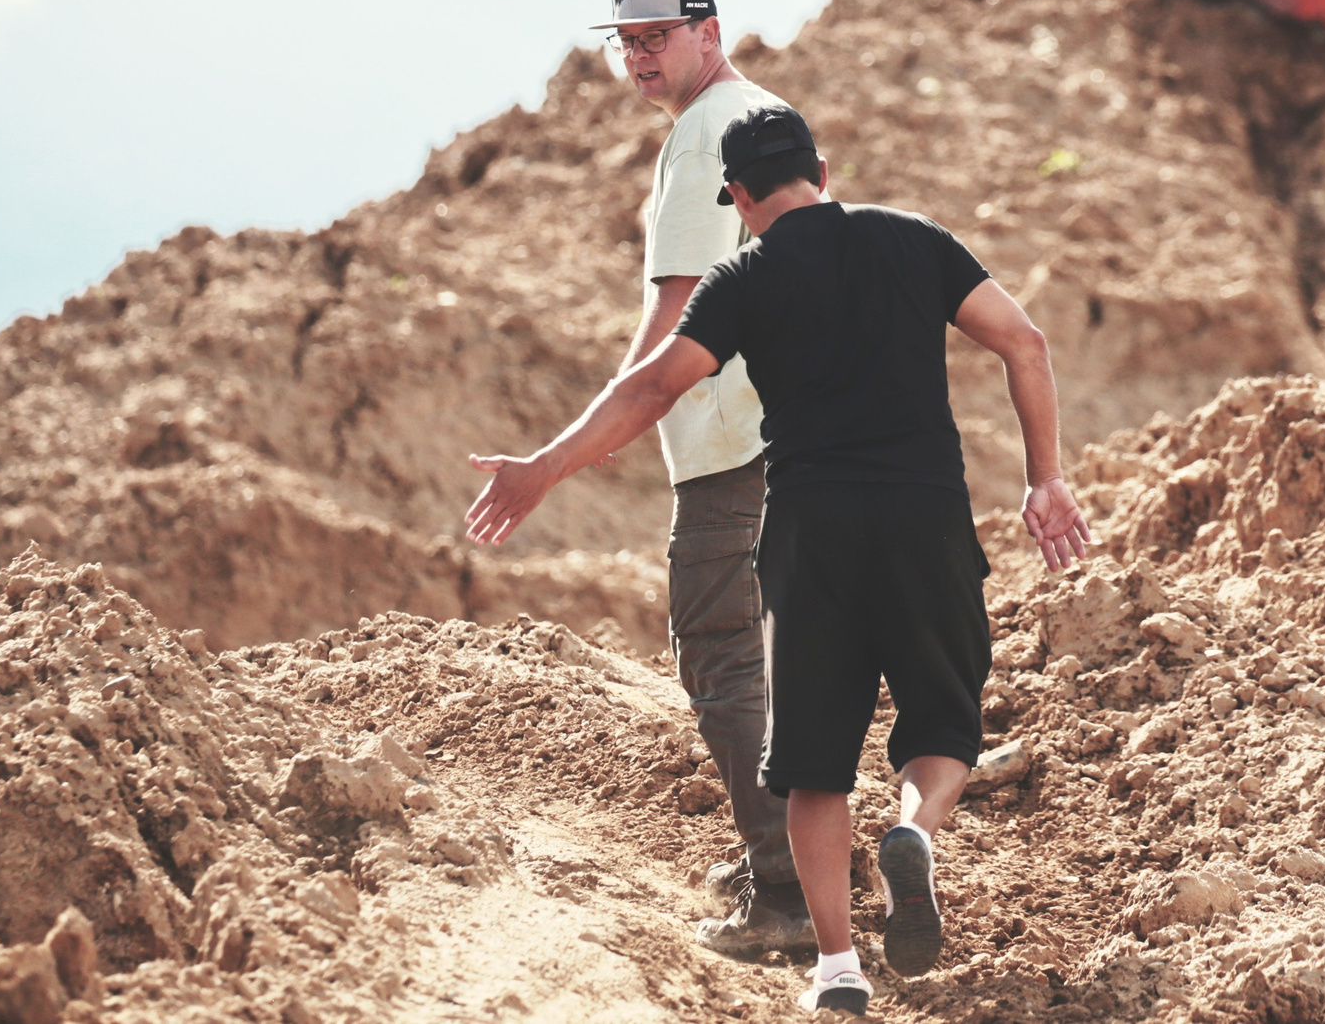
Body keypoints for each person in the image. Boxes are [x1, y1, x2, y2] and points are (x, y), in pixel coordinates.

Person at [467, 101, 1093, 1016]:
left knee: (812, 761)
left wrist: (544, 467)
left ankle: (838, 967)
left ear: (739, 197)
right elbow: (1023, 341)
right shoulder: (913, 238)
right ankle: (915, 831)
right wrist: (1046, 479)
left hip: (808, 531)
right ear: (822, 172)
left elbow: (653, 385)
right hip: (925, 517)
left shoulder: (743, 276)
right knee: (942, 726)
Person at [555, 0, 811, 960]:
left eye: (656, 38)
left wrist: (601, 424)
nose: (637, 58)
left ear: (708, 30)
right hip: (784, 427)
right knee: (775, 657)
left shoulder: (707, 132)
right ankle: (797, 857)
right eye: (626, 43)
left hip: (730, 438)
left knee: (719, 651)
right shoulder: (764, 113)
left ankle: (784, 890)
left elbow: (677, 309)